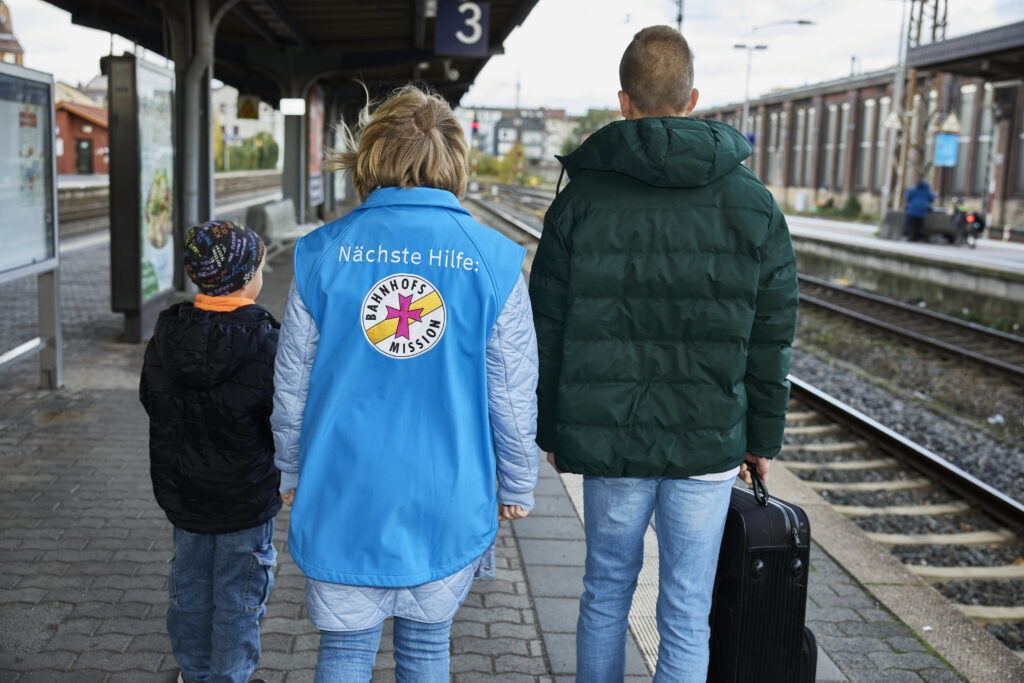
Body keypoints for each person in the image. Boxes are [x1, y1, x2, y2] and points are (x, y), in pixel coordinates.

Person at [529, 26, 798, 682]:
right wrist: (761, 437)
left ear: (623, 102)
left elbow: (546, 328)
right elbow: (771, 336)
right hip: (707, 443)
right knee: (686, 606)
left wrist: (552, 430)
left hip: (610, 440)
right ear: (694, 98)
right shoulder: (754, 205)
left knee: (604, 591)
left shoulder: (580, 201)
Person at [271, 84, 539, 682]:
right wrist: (517, 480)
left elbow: (291, 384)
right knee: (425, 652)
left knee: (343, 654)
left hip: (343, 494)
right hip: (447, 500)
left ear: (370, 157)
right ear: (454, 160)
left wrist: (288, 469)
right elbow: (513, 393)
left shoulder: (320, 254)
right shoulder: (495, 261)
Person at [140, 220, 280, 683]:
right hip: (245, 499)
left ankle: (194, 675)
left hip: (184, 496)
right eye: (261, 266)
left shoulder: (166, 334)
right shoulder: (265, 341)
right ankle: (229, 678)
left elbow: (152, 400)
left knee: (191, 593)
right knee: (239, 597)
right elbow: (279, 417)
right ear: (246, 277)